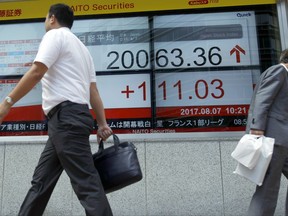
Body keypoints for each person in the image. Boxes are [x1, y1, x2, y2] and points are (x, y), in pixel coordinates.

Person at [0, 3, 113, 216]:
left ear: (52, 18)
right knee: (41, 181)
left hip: (66, 119)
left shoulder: (54, 36)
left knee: (87, 183)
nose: (45, 22)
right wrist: (102, 123)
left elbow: (36, 72)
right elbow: (93, 92)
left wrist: (7, 103)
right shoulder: (82, 48)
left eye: (45, 18)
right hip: (67, 120)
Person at [246, 48, 288, 216]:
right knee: (268, 188)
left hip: (283, 140)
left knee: (268, 187)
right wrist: (257, 130)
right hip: (273, 140)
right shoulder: (280, 70)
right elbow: (262, 100)